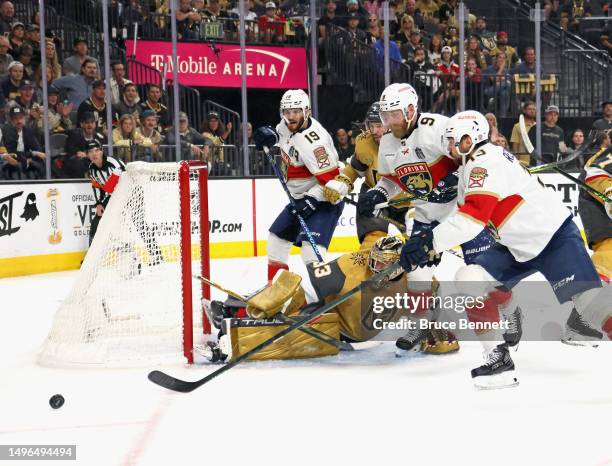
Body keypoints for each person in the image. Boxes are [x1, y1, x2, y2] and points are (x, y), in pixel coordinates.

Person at [398, 110, 606, 389]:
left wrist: (428, 242)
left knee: (593, 309)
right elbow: (462, 213)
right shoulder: (474, 163)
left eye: (451, 141)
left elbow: (472, 218)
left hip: (553, 238)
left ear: (468, 138)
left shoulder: (485, 163)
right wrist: (431, 243)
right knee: (469, 278)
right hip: (515, 246)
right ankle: (498, 360)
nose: (447, 147)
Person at [356, 85, 513, 356]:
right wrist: (379, 193)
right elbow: (391, 180)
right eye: (385, 116)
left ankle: (509, 311)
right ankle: (420, 324)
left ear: (410, 110)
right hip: (427, 215)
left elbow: (468, 154)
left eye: (394, 115)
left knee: (482, 271)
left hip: (462, 212)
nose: (388, 122)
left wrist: (464, 174)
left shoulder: (437, 127)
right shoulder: (389, 144)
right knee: (416, 271)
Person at [201, 235, 459, 363]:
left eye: (384, 265)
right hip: (333, 310)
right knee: (291, 289)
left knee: (294, 335)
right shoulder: (354, 264)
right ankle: (239, 311)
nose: (377, 267)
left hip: (349, 334)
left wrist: (431, 332)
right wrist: (287, 300)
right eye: (375, 261)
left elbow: (431, 309)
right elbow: (311, 283)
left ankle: (233, 341)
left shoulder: (416, 282)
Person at [253, 89, 345, 281]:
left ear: (306, 112)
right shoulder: (284, 126)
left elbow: (333, 183)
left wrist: (312, 199)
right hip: (299, 199)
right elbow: (282, 143)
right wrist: (270, 140)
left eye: (296, 111)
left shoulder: (315, 143)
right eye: (287, 112)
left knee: (311, 254)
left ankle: (321, 298)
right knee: (276, 242)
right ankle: (276, 292)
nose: (291, 116)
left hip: (324, 201)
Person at [329, 102, 413, 249]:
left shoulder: (409, 142)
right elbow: (355, 168)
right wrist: (342, 182)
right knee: (372, 245)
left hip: (409, 201)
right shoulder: (364, 142)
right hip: (373, 198)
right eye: (371, 125)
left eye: (379, 126)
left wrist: (415, 210)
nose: (374, 131)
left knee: (418, 253)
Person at [0, 106, 45, 180]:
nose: (19, 121)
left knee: (44, 162)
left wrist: (32, 157)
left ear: (24, 118)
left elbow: (37, 149)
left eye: (21, 118)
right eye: (15, 119)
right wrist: (31, 154)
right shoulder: (6, 131)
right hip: (11, 163)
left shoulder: (28, 131)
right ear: (11, 120)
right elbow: (12, 152)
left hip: (26, 162)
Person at [63, 112, 106, 178]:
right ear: (81, 124)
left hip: (95, 162)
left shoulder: (100, 137)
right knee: (80, 162)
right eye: (87, 123)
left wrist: (87, 155)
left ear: (95, 124)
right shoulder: (74, 136)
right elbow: (74, 152)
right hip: (77, 166)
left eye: (92, 122)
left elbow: (105, 152)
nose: (90, 125)